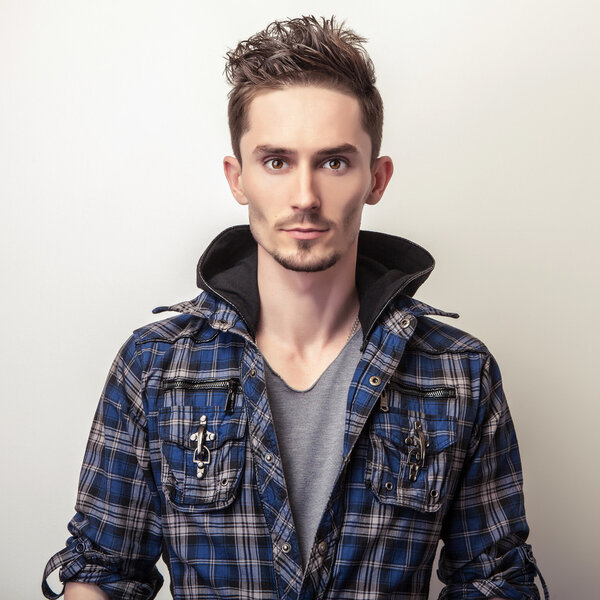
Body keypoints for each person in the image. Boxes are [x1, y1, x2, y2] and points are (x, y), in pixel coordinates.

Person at [42, 15, 548, 600]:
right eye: (276, 161)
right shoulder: (154, 366)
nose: (305, 197)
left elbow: (494, 581)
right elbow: (103, 573)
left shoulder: (458, 373)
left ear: (375, 178)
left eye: (334, 162)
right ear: (238, 177)